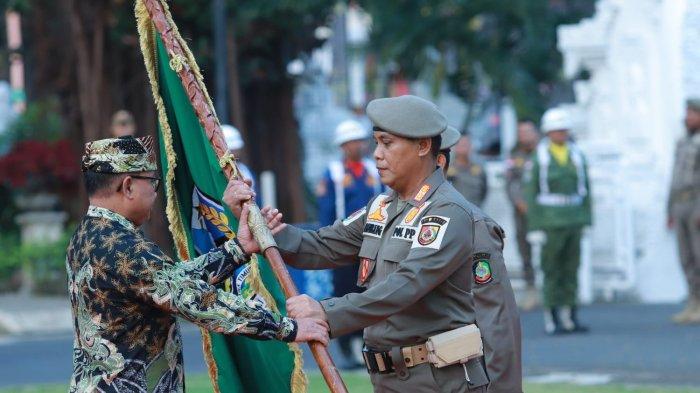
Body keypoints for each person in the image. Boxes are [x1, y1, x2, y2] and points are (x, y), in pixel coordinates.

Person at [229, 95, 522, 392]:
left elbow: (406, 285)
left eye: (387, 143)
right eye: (376, 143)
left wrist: (326, 311)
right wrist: (262, 227)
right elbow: (321, 245)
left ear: (423, 147)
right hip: (389, 379)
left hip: (441, 381)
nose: (377, 155)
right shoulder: (382, 207)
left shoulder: (450, 214)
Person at [68, 136, 328, 392]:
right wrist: (286, 327)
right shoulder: (123, 247)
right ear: (128, 186)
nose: (155, 193)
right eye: (153, 182)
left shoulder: (86, 236)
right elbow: (197, 300)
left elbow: (172, 280)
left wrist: (238, 250)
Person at [316, 119, 382, 368]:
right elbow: (326, 210)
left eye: (359, 140)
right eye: (351, 141)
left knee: (369, 291)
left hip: (371, 243)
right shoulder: (333, 172)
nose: (357, 145)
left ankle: (366, 344)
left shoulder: (373, 170)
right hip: (345, 244)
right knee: (343, 293)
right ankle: (346, 348)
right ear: (342, 146)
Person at [524, 107, 592, 335]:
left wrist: (586, 220)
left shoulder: (576, 155)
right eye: (556, 130)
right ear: (548, 132)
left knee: (571, 269)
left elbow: (586, 191)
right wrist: (534, 227)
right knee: (552, 270)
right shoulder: (540, 157)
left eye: (564, 130)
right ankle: (553, 317)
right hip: (550, 223)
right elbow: (531, 194)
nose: (561, 134)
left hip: (573, 219)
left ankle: (571, 315)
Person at [667, 98, 700, 324]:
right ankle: (693, 300)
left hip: (696, 203)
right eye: (687, 112)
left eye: (692, 113)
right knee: (685, 257)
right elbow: (673, 178)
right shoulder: (681, 142)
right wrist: (668, 210)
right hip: (680, 204)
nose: (688, 117)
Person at [506, 120, 540, 310]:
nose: (524, 136)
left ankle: (552, 290)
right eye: (521, 132)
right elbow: (510, 182)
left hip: (544, 211)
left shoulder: (544, 152)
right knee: (524, 249)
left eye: (527, 131)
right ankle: (531, 288)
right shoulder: (514, 154)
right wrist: (518, 202)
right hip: (521, 211)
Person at [447, 134, 488, 207]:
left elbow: (484, 191)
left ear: (471, 147)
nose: (464, 148)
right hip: (454, 212)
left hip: (476, 212)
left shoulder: (478, 170)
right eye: (461, 145)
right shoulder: (447, 170)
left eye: (466, 144)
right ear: (455, 147)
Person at [222, 124, 257, 189]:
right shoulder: (218, 173)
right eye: (232, 149)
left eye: (237, 149)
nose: (235, 152)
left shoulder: (247, 171)